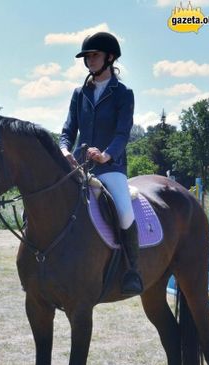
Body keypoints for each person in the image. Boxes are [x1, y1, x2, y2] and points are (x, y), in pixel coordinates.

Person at [59, 32, 142, 295]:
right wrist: (63, 150)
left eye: (94, 55)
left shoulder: (123, 94)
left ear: (110, 57)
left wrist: (107, 154)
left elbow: (122, 133)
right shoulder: (79, 93)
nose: (89, 60)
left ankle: (132, 270)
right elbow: (68, 130)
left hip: (110, 167)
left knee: (125, 213)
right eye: (87, 56)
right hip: (80, 167)